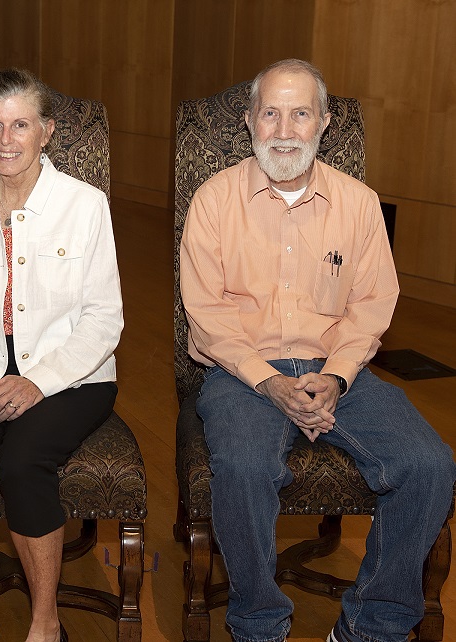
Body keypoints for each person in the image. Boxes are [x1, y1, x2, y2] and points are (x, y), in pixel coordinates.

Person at [180, 58, 456, 642]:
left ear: (324, 123)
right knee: (246, 466)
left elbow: (375, 303)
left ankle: (370, 627)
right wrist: (267, 381)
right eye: (271, 113)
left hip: (339, 371)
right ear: (250, 120)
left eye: (300, 113)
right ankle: (258, 627)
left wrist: (337, 375)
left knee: (429, 465)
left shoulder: (358, 203)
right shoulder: (213, 200)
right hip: (241, 373)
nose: (284, 130)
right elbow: (206, 314)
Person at [0, 68, 123, 642]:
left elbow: (103, 319)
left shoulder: (85, 206)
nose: (6, 140)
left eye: (20, 125)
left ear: (46, 132)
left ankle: (44, 622)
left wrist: (38, 381)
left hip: (72, 375)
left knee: (22, 464)